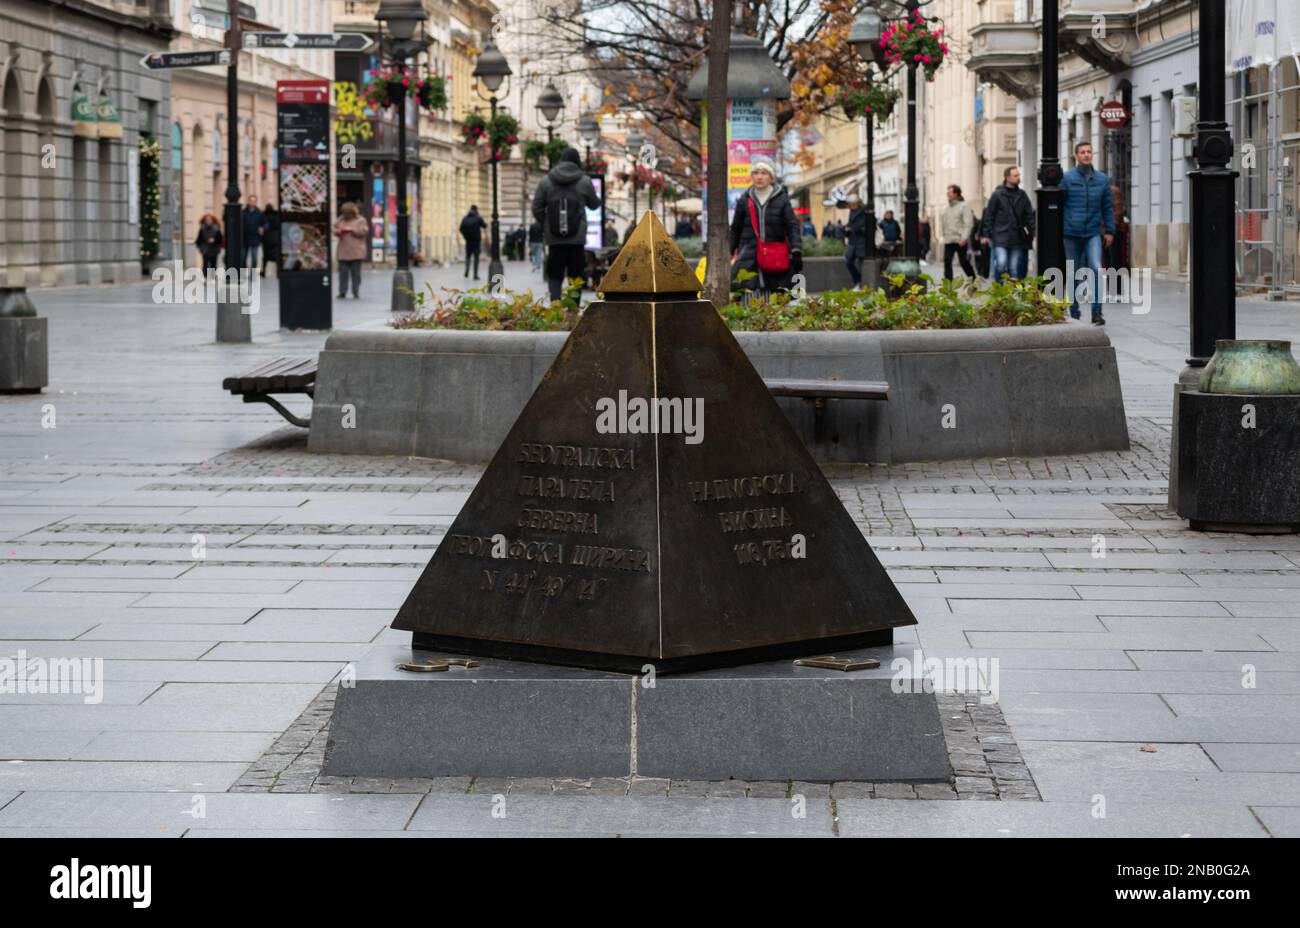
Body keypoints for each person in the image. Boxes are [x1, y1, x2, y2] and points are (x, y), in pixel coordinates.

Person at [532, 147, 601, 301]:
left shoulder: (546, 181)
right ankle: (572, 312)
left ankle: (555, 308)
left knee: (555, 274)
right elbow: (594, 205)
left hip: (554, 239)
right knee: (575, 274)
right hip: (577, 239)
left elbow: (536, 207)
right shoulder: (584, 181)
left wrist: (548, 224)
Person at [729, 160, 801, 295]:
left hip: (775, 256)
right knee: (746, 293)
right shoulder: (745, 199)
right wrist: (729, 251)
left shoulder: (782, 199)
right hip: (748, 256)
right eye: (755, 173)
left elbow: (792, 226)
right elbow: (735, 229)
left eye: (764, 173)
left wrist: (796, 249)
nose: (759, 177)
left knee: (777, 296)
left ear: (771, 177)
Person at [1062, 141, 1115, 324]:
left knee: (1096, 269)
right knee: (1073, 272)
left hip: (1092, 232)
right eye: (1083, 152)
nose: (1086, 154)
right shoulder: (1067, 178)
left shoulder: (1101, 179)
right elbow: (1060, 205)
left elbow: (1108, 207)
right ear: (1076, 155)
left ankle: (1097, 312)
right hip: (1071, 233)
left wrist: (1109, 231)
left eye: (1089, 152)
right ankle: (1074, 310)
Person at [980, 166, 1036, 281]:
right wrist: (986, 234)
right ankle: (999, 290)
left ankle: (1012, 294)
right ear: (1007, 178)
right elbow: (989, 215)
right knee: (1001, 263)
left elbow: (1029, 214)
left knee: (1013, 268)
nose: (1018, 178)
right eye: (1015, 176)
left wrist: (1033, 231)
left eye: (1018, 175)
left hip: (1017, 237)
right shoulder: (997, 195)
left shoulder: (1022, 195)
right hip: (1000, 235)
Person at [333, 202, 369, 299]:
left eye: (348, 213)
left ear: (352, 212)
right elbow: (333, 228)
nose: (346, 215)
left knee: (356, 273)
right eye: (345, 213)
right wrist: (339, 231)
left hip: (356, 251)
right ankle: (342, 292)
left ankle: (355, 291)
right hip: (343, 250)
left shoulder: (360, 220)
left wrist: (352, 230)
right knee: (342, 273)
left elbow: (364, 231)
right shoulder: (341, 219)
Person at [940, 184, 975, 280]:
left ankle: (973, 280)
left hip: (960, 240)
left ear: (956, 194)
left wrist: (964, 238)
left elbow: (968, 224)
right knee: (947, 262)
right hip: (949, 240)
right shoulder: (946, 208)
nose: (947, 194)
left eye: (949, 192)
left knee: (963, 262)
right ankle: (949, 285)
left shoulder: (964, 206)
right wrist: (942, 236)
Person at [843, 194, 874, 288]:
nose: (850, 206)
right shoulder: (852, 212)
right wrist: (847, 230)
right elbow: (852, 224)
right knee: (847, 260)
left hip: (862, 241)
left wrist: (855, 229)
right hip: (853, 241)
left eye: (851, 204)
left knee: (861, 264)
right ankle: (858, 281)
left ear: (857, 203)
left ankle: (860, 284)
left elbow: (869, 227)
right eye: (849, 204)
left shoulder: (865, 211)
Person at [459, 205, 486, 280]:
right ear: (476, 210)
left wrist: (465, 235)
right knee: (476, 258)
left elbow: (460, 229)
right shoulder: (478, 218)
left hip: (468, 241)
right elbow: (484, 226)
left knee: (468, 257)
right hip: (476, 241)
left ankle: (467, 271)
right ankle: (475, 274)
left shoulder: (465, 218)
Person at [240, 194, 265, 269]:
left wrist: (262, 228)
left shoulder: (259, 213)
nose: (252, 202)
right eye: (251, 201)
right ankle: (243, 274)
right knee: (243, 257)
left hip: (255, 238)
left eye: (254, 201)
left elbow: (265, 223)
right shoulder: (243, 212)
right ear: (248, 201)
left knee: (254, 258)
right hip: (245, 238)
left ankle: (253, 275)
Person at [261, 203, 281, 278]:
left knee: (265, 257)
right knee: (276, 257)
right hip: (275, 238)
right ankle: (278, 273)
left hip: (266, 240)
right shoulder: (276, 216)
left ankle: (263, 272)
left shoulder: (264, 216)